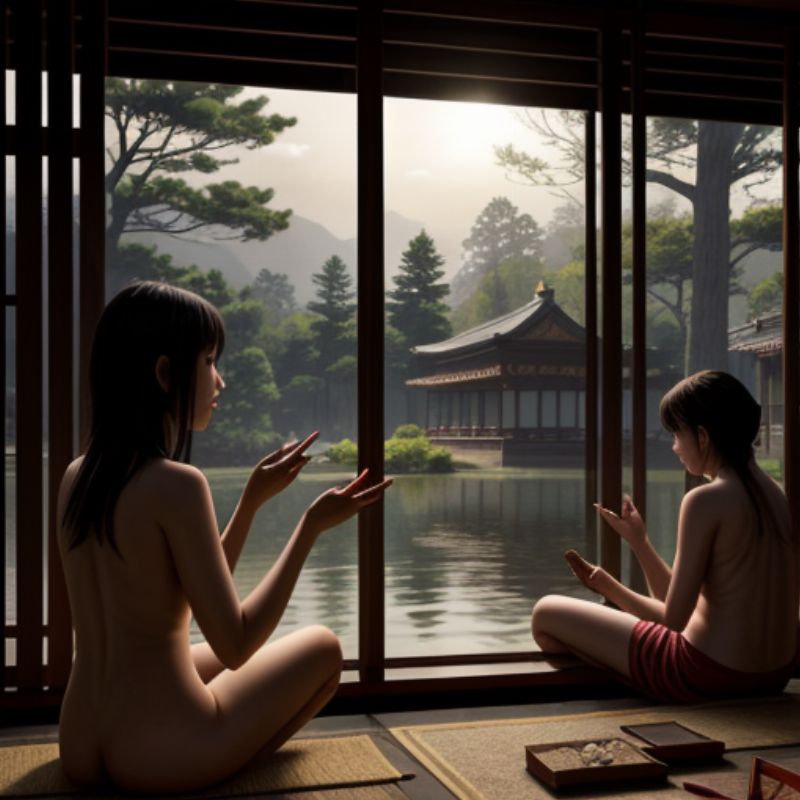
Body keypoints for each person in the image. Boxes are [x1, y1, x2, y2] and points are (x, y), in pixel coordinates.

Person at [57, 281, 392, 792]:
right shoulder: (178, 484)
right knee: (323, 648)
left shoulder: (77, 476)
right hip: (162, 754)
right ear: (165, 373)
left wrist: (251, 502)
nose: (221, 380)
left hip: (79, 742)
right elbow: (234, 645)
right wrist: (308, 528)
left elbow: (180, 604)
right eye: (210, 360)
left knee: (193, 653)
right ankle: (222, 770)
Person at [532, 370, 800, 704]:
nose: (674, 447)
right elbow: (682, 605)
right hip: (774, 676)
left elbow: (673, 620)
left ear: (702, 436)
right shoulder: (779, 496)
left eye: (676, 433)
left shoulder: (705, 500)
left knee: (545, 614)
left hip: (705, 674)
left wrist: (608, 587)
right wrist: (640, 543)